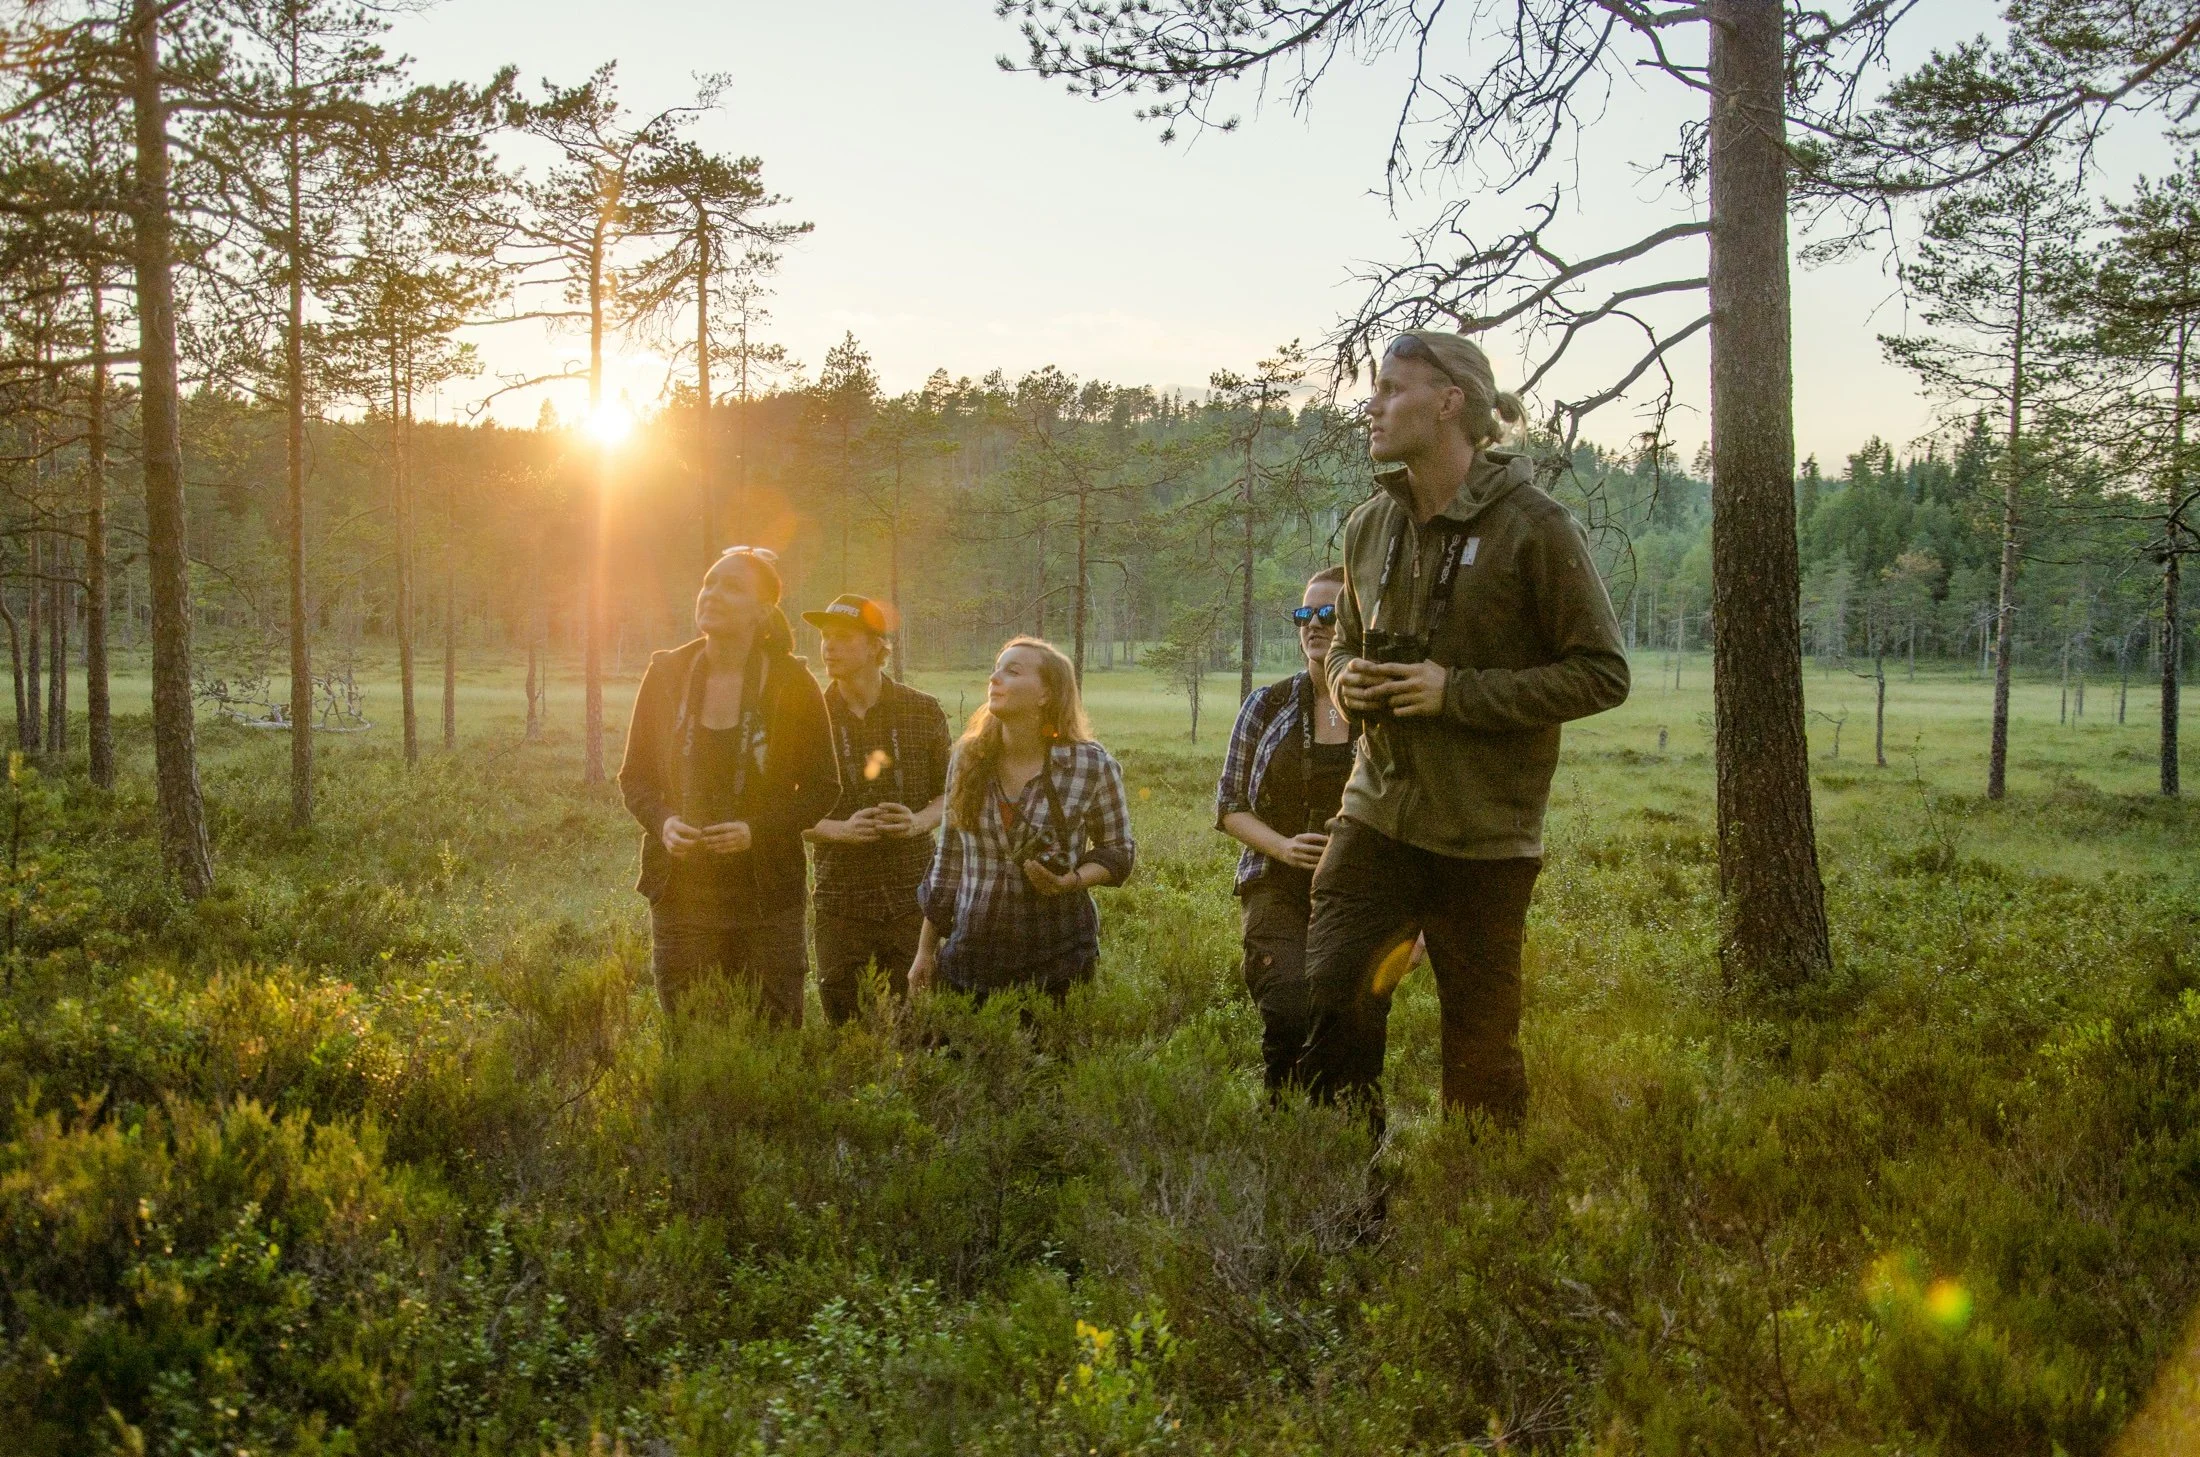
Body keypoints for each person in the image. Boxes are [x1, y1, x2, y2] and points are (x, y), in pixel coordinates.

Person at [1301, 330, 1629, 1129]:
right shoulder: (1368, 526)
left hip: (1485, 839)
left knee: (1481, 1055)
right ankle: (1342, 1198)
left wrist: (1456, 693)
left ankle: (1480, 1217)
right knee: (1334, 1003)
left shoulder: (1535, 526)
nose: (1370, 405)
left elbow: (1602, 672)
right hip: (1376, 815)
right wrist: (1349, 678)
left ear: (1450, 403)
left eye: (1391, 388)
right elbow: (1343, 638)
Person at [618, 546, 839, 1027]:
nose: (712, 594)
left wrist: (756, 830)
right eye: (709, 582)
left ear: (762, 612)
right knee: (690, 1037)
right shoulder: (666, 675)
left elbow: (825, 787)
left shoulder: (792, 683)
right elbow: (635, 778)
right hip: (681, 896)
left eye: (731, 587)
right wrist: (664, 824)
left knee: (773, 1037)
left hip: (766, 898)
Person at [909, 638, 1136, 1002]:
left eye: (1012, 671)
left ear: (1046, 694)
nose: (994, 678)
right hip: (970, 961)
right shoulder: (968, 758)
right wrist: (924, 952)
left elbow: (1119, 851)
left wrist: (1071, 881)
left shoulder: (1090, 766)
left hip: (1059, 964)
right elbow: (949, 861)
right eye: (996, 668)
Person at [1215, 566, 1357, 1094]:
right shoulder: (1266, 704)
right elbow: (1228, 804)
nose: (1314, 624)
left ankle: (1353, 1140)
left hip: (1358, 891)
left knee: (1349, 1021)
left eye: (1330, 613)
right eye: (1305, 613)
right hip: (1275, 882)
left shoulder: (1377, 708)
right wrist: (1284, 847)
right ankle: (1282, 1131)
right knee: (1288, 1008)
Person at [800, 594, 951, 1024]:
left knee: (918, 1025)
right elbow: (780, 807)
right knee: (845, 1026)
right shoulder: (808, 716)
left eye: (842, 638)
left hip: (913, 901)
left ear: (874, 646)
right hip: (839, 901)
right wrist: (837, 830)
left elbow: (951, 794)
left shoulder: (921, 711)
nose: (828, 647)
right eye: (825, 638)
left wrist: (918, 822)